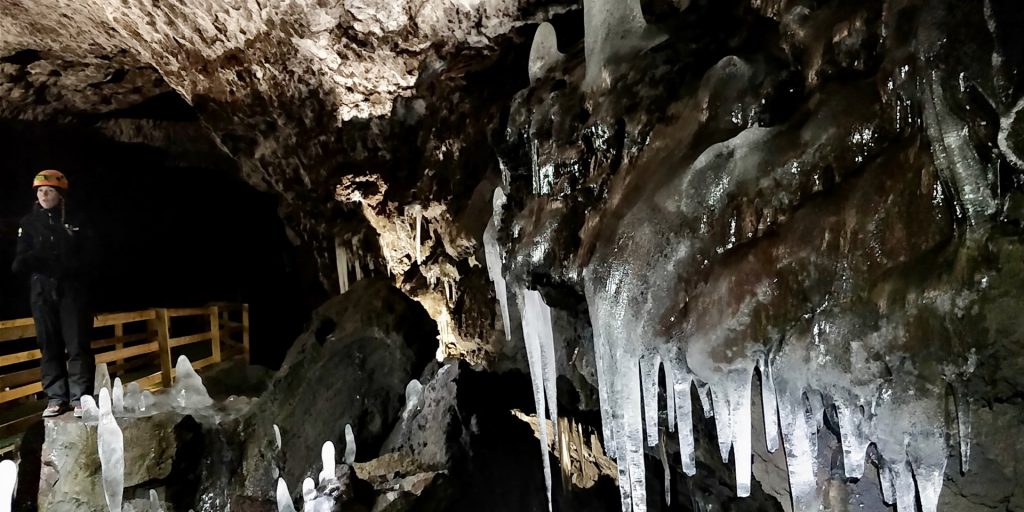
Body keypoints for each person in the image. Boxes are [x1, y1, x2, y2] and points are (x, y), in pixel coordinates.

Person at [11, 170, 96, 417]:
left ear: (60, 194)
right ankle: (56, 397)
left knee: (77, 343)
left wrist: (72, 265)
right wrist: (30, 259)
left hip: (71, 289)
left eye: (49, 190)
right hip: (41, 290)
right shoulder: (28, 222)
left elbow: (91, 255)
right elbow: (18, 260)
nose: (44, 194)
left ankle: (81, 397)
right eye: (40, 191)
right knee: (49, 344)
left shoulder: (77, 220)